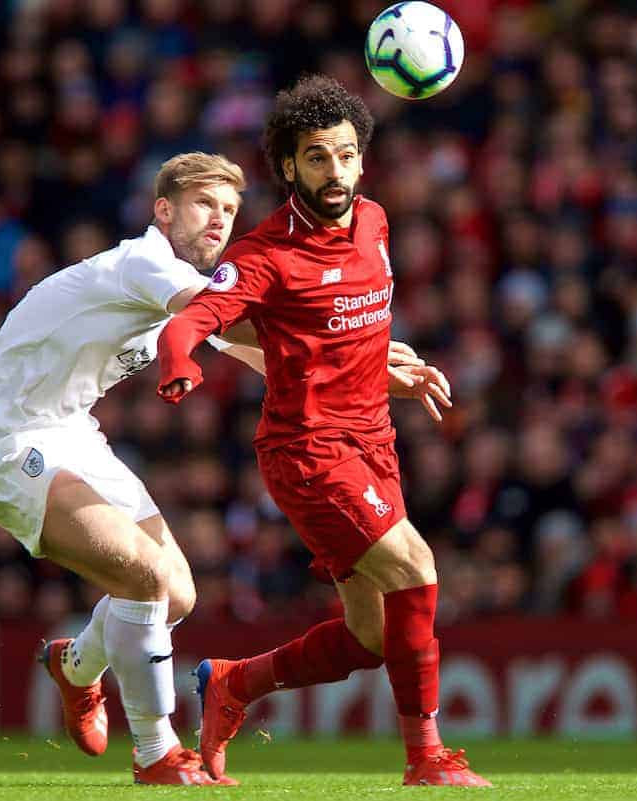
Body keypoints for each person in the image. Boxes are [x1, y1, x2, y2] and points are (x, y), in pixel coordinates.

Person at [0, 152, 430, 786]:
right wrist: (357, 346)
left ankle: (76, 666)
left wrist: (363, 365)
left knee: (176, 593)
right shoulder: (145, 264)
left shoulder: (177, 283)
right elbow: (256, 326)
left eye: (230, 211)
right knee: (144, 579)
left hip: (72, 432)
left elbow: (255, 346)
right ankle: (158, 753)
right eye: (205, 204)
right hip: (3, 438)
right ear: (164, 209)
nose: (219, 221)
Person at [156, 77, 491, 787]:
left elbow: (345, 324)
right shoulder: (264, 254)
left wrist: (384, 370)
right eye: (316, 158)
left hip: (375, 441)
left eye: (344, 155)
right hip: (307, 450)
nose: (334, 172)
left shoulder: (374, 221)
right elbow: (196, 317)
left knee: (373, 634)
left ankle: (233, 684)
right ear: (288, 167)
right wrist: (179, 359)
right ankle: (427, 758)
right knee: (416, 567)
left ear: (362, 161)